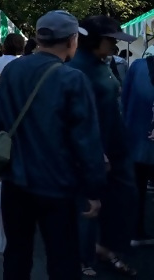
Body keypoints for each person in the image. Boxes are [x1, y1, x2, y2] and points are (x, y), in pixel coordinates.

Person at [0, 10, 106, 280]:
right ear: (72, 40)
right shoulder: (73, 79)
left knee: (16, 254)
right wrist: (93, 188)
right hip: (57, 185)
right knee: (62, 257)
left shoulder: (14, 69)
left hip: (15, 180)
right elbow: (86, 140)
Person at [69, 16, 137, 276]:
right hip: (97, 152)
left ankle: (101, 249)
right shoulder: (78, 69)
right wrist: (96, 153)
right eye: (111, 40)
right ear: (95, 40)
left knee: (120, 202)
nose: (115, 46)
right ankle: (85, 257)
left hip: (115, 148)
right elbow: (80, 119)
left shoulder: (101, 64)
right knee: (90, 206)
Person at [122, 52, 154, 246]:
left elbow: (124, 101)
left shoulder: (137, 66)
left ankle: (135, 231)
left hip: (136, 140)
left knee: (138, 189)